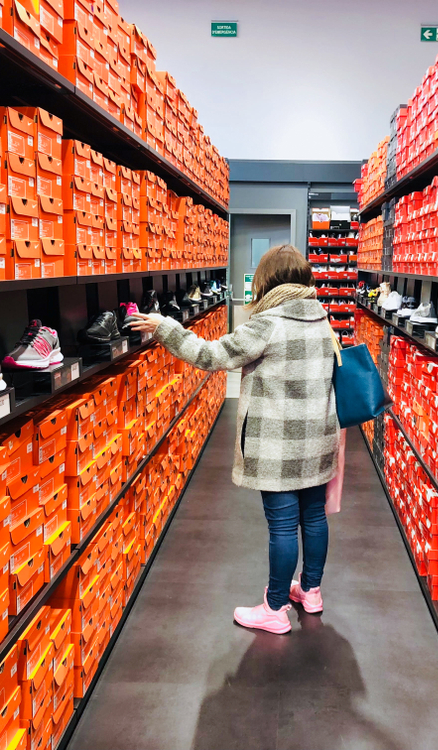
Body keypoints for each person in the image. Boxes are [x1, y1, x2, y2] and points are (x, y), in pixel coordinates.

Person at [128, 245, 340, 634]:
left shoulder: (268, 323)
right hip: (319, 438)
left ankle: (274, 608)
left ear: (267, 280)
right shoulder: (321, 317)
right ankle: (311, 591)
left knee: (282, 525)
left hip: (278, 444)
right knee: (313, 516)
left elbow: (212, 356)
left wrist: (165, 328)